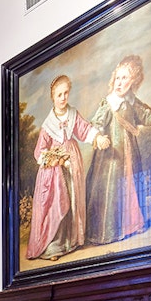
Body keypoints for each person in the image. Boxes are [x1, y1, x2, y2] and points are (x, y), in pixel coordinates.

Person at [86, 55, 151, 245]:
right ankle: (109, 232)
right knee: (111, 190)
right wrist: (98, 137)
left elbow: (146, 114)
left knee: (131, 185)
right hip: (110, 158)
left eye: (126, 79)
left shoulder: (132, 102)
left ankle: (131, 224)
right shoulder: (108, 103)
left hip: (129, 154)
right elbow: (95, 123)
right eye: (118, 77)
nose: (120, 82)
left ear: (133, 82)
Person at [26, 75, 108, 260]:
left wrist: (98, 138)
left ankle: (71, 241)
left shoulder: (73, 115)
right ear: (53, 97)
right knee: (57, 204)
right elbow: (39, 152)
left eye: (65, 93)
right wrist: (56, 160)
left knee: (73, 200)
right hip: (53, 172)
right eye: (59, 95)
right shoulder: (47, 125)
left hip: (73, 163)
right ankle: (53, 246)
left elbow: (85, 130)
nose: (63, 98)